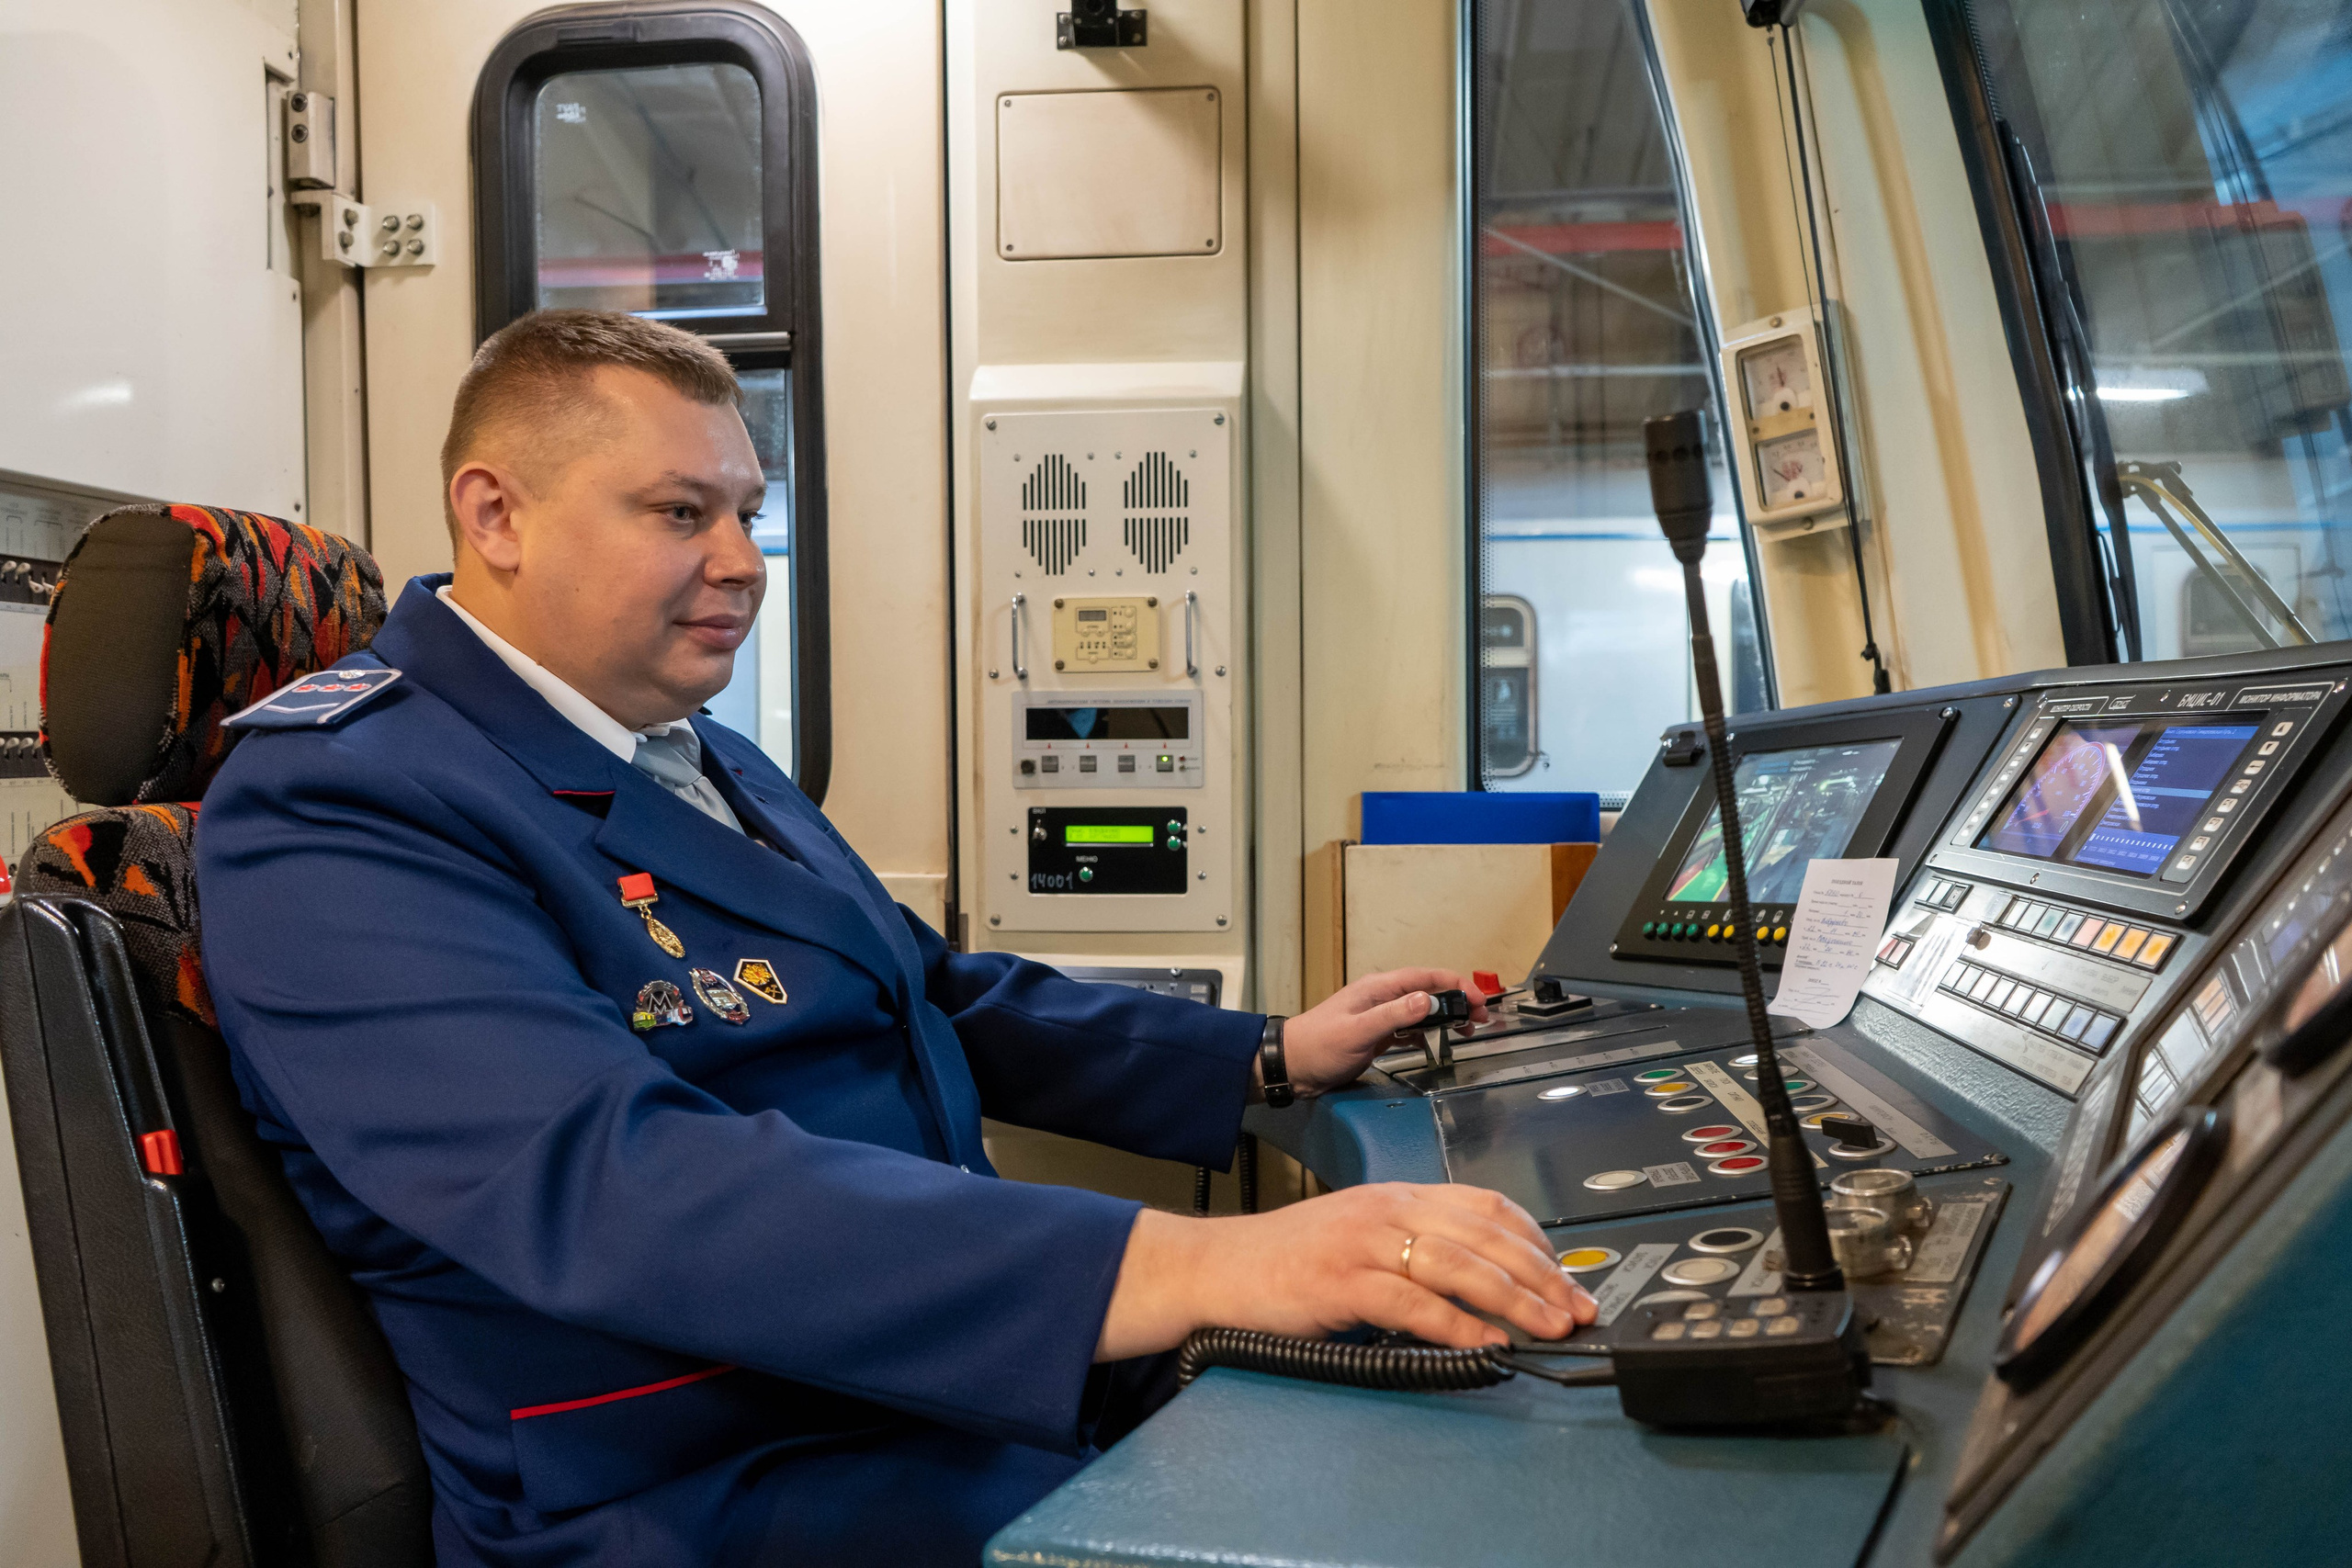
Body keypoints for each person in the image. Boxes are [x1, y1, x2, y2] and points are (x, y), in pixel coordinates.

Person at [198, 309, 1596, 1567]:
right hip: (690, 1474)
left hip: (895, 1383)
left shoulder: (694, 753)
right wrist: (1193, 1264)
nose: (741, 564)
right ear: (496, 515)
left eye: (749, 511)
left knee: (1454, 1428)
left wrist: (1267, 1057)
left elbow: (931, 994)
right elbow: (612, 1185)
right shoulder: (335, 800)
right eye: (682, 511)